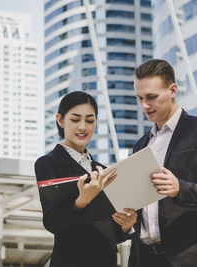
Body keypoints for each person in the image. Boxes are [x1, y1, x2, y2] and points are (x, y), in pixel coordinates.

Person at [128, 59, 197, 267]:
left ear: (173, 90)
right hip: (144, 259)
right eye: (140, 98)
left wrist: (181, 189)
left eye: (151, 97)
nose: (144, 105)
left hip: (190, 259)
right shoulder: (140, 145)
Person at [34, 91, 137, 267]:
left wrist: (126, 226)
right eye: (75, 119)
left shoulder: (104, 170)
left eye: (90, 120)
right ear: (60, 120)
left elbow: (110, 233)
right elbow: (52, 222)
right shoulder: (48, 163)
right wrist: (82, 201)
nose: (83, 127)